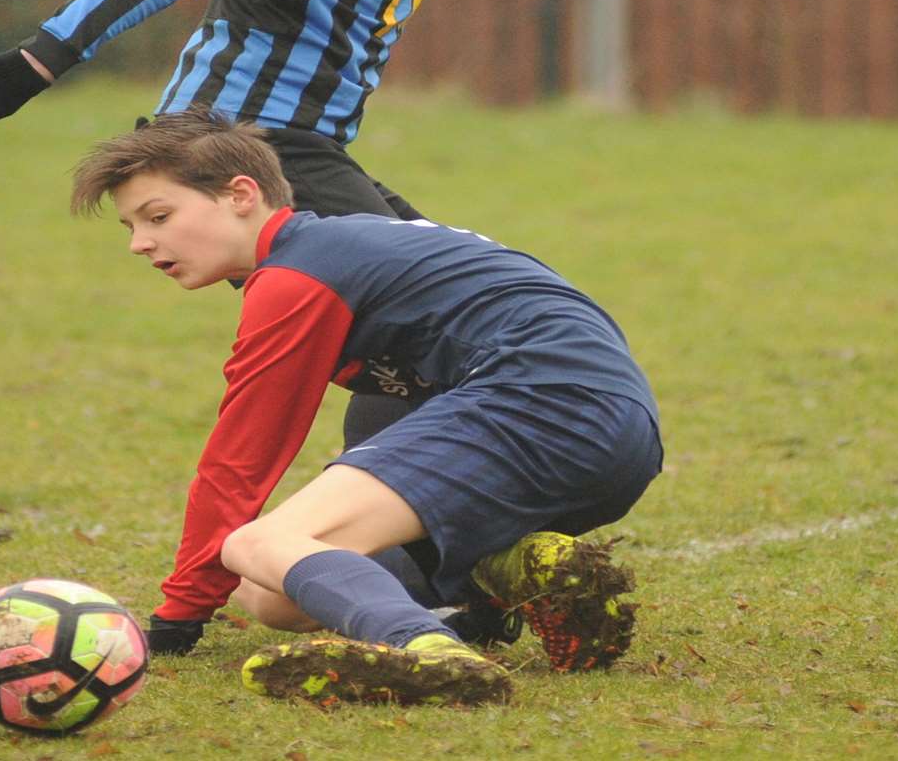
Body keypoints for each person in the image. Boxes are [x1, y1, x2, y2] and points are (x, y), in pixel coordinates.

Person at [0, 0, 556, 649]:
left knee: (451, 305)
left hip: (309, 148)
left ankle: (425, 563)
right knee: (431, 320)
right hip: (250, 145)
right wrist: (40, 61)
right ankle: (417, 578)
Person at [68, 111, 662, 706]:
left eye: (159, 217)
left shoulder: (297, 275)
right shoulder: (353, 243)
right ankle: (507, 571)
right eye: (131, 226)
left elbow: (241, 461)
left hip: (536, 401)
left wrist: (178, 618)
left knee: (251, 545)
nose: (140, 243)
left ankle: (427, 650)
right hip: (621, 431)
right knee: (269, 593)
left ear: (241, 195)